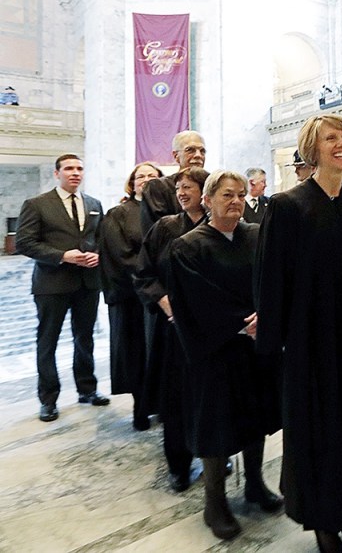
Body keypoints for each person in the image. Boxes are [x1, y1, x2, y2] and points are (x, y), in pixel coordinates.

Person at [256, 114, 342, 553]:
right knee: (318, 436)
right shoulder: (288, 206)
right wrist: (271, 350)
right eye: (331, 137)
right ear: (312, 149)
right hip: (311, 345)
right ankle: (324, 524)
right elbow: (271, 283)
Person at [167, 170, 282, 540]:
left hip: (255, 347)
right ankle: (214, 502)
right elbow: (195, 298)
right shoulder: (188, 246)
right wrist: (239, 323)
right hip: (214, 351)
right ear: (209, 199)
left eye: (240, 195)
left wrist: (265, 315)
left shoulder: (257, 234)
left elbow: (273, 279)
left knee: (256, 414)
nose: (235, 201)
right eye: (227, 195)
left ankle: (255, 484)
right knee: (216, 422)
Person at [16, 154, 109, 422]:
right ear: (57, 174)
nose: (75, 173)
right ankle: (48, 400)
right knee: (48, 342)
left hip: (87, 282)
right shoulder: (37, 204)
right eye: (69, 168)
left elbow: (100, 238)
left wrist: (98, 254)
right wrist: (61, 255)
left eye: (80, 168)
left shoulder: (94, 204)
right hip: (51, 283)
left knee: (85, 338)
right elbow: (24, 242)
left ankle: (87, 390)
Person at [134, 167, 208, 492]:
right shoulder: (165, 228)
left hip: (210, 331)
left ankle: (212, 453)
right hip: (174, 331)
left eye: (189, 187)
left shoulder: (220, 227)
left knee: (209, 398)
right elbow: (143, 273)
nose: (181, 192)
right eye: (179, 187)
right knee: (176, 399)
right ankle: (178, 465)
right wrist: (163, 301)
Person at [98, 161, 162, 431]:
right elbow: (121, 256)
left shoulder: (166, 212)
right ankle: (140, 407)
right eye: (140, 176)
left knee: (160, 355)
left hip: (162, 297)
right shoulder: (119, 214)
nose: (146, 179)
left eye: (152, 176)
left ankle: (161, 404)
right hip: (134, 298)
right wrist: (150, 284)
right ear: (132, 182)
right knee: (136, 353)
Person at [141, 130, 206, 234]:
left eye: (202, 151)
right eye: (190, 150)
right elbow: (158, 233)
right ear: (176, 156)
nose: (198, 155)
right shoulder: (158, 188)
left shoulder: (213, 185)